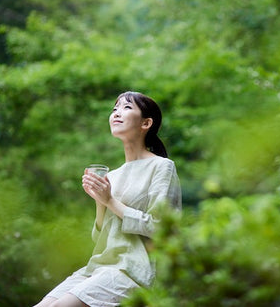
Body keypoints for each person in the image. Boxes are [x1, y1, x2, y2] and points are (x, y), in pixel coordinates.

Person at [34, 91, 182, 307]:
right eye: (114, 109)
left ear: (146, 123)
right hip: (98, 267)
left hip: (134, 270)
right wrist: (99, 200)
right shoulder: (112, 175)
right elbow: (100, 237)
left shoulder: (162, 167)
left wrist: (110, 200)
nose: (116, 113)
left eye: (126, 108)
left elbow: (161, 228)